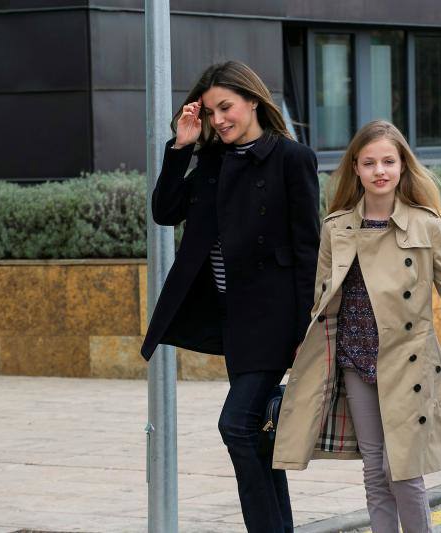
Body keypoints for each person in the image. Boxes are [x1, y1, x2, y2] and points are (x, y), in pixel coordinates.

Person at [272, 120, 441, 533]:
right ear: (356, 170)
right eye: (369, 163)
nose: (379, 171)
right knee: (374, 471)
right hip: (354, 360)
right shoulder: (336, 227)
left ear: (402, 166)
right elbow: (322, 301)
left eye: (388, 161)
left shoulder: (425, 225)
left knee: (403, 471)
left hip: (407, 363)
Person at [140, 60, 320, 533]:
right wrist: (181, 145)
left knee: (236, 426)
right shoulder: (213, 161)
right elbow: (164, 211)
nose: (220, 120)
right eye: (212, 111)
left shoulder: (291, 159)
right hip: (233, 319)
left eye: (227, 107)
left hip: (276, 319)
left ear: (252, 101)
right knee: (257, 435)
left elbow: (309, 251)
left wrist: (308, 330)